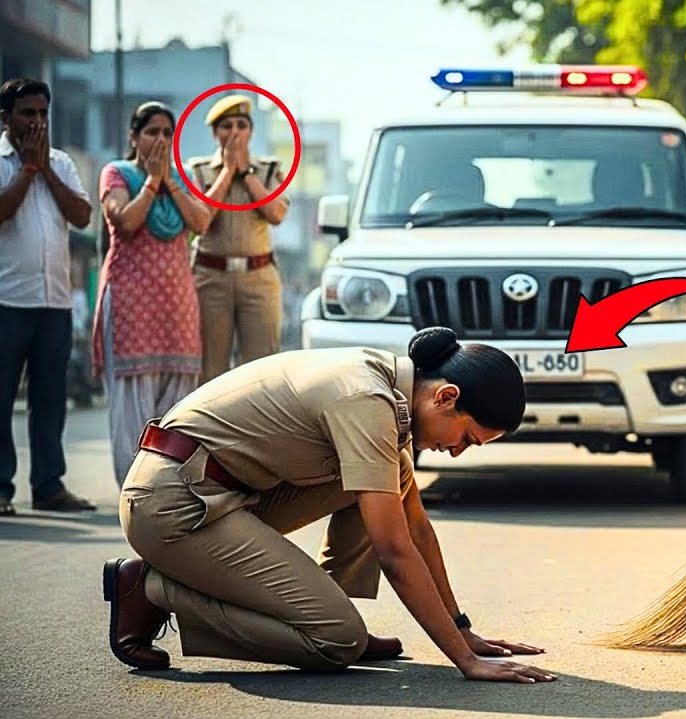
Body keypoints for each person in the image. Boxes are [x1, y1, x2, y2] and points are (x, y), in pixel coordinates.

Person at [104, 327, 557, 682]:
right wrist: (464, 662)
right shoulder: (365, 399)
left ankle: (321, 607)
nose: (457, 452)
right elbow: (395, 552)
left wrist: (462, 630)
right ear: (446, 396)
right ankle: (150, 587)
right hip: (172, 506)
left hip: (216, 491)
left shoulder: (385, 388)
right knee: (335, 642)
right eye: (466, 439)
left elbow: (416, 529)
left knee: (391, 474)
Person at [94, 101, 211, 487]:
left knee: (177, 405)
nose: (160, 140)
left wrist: (168, 181)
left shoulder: (179, 180)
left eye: (167, 133)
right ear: (133, 136)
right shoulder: (116, 174)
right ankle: (135, 492)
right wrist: (150, 183)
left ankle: (167, 490)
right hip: (131, 307)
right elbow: (125, 220)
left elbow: (201, 222)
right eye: (151, 132)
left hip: (176, 308)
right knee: (132, 402)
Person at [0, 78, 96, 515]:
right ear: (6, 119)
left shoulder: (62, 162)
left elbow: (80, 215)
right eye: (27, 113)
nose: (38, 122)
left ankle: (49, 486)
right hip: (8, 301)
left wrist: (46, 169)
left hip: (55, 301)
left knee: (50, 400)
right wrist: (26, 170)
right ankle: (1, 489)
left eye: (43, 113)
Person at [188, 95, 291, 384]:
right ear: (214, 133)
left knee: (262, 370)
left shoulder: (269, 169)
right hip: (210, 277)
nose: (234, 133)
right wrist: (226, 173)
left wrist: (246, 174)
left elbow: (276, 213)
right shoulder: (199, 171)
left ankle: (258, 430)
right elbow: (201, 220)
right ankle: (212, 430)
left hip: (258, 276)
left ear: (251, 131)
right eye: (226, 126)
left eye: (241, 125)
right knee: (210, 371)